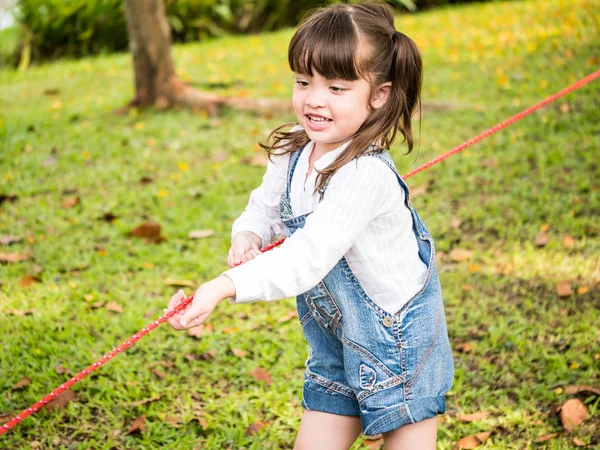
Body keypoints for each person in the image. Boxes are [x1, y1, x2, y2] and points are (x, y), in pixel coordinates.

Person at [165, 2, 454, 449]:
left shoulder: (365, 175)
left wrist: (224, 286)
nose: (314, 99)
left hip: (399, 345)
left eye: (337, 87)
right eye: (304, 82)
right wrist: (249, 234)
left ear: (378, 94)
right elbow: (264, 208)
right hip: (336, 341)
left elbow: (307, 257)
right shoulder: (294, 151)